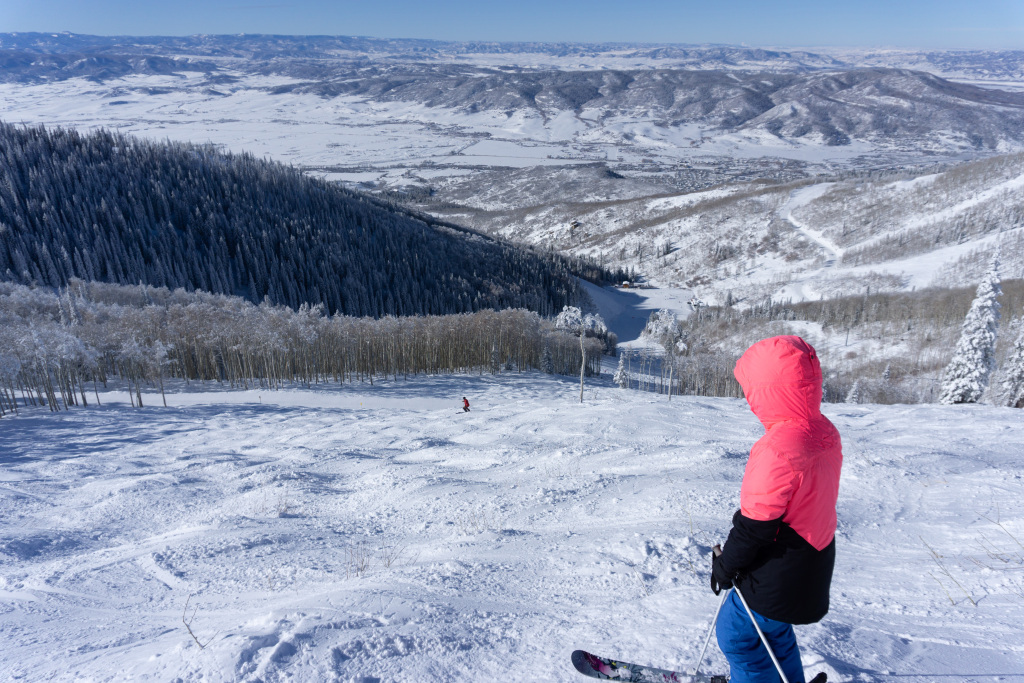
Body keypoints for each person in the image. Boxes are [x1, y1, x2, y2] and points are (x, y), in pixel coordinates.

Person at [710, 336, 843, 683]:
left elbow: (755, 525)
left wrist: (725, 566)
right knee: (774, 633)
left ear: (768, 391)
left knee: (737, 637)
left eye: (751, 389)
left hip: (778, 574)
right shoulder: (824, 431)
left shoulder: (778, 447)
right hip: (809, 567)